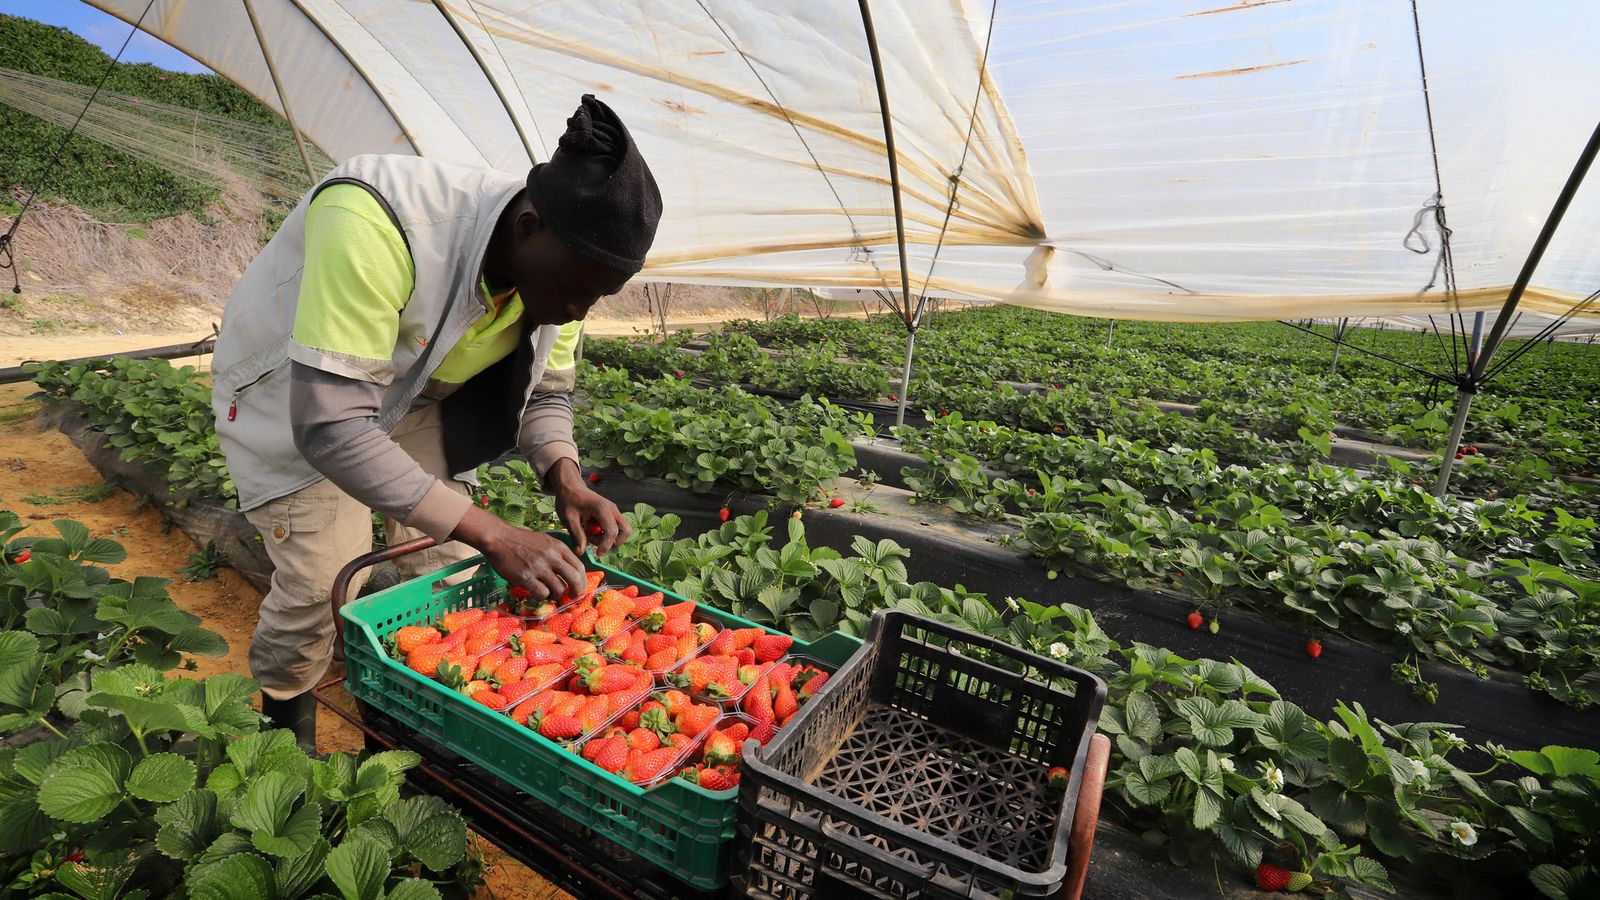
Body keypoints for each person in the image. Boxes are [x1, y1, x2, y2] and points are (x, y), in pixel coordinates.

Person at [210, 95, 662, 750]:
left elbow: (547, 397)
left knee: (448, 566)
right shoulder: (377, 214)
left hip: (417, 395)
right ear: (529, 226)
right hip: (300, 394)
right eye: (574, 288)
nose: (576, 308)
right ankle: (285, 738)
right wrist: (497, 531)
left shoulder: (567, 275)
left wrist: (565, 475)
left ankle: (405, 723)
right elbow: (333, 425)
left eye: (597, 297)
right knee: (321, 580)